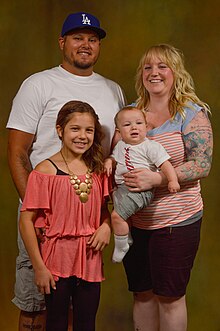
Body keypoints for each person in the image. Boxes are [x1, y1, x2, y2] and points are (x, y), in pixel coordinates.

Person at [6, 11, 125, 331]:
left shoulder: (113, 90)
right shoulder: (38, 84)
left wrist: (104, 218)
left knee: (77, 305)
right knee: (36, 302)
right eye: (77, 37)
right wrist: (39, 212)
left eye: (92, 39)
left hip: (86, 217)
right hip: (44, 211)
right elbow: (17, 153)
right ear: (62, 43)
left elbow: (112, 158)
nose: (86, 44)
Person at [122, 44, 213, 331]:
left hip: (176, 221)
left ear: (175, 72)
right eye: (148, 67)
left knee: (170, 298)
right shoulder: (132, 114)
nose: (154, 72)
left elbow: (202, 164)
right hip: (137, 223)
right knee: (142, 294)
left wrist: (159, 178)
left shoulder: (191, 114)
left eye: (162, 66)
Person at [19, 100, 110, 331]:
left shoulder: (98, 170)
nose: (82, 136)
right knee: (56, 322)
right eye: (75, 129)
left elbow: (103, 211)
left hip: (89, 259)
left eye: (89, 130)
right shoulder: (44, 171)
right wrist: (39, 267)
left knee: (86, 323)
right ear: (60, 130)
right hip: (55, 261)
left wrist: (106, 227)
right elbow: (27, 221)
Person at [104, 106, 180, 263]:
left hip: (139, 191)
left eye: (139, 123)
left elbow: (166, 165)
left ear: (146, 127)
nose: (133, 127)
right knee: (123, 215)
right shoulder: (121, 145)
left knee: (117, 216)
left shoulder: (150, 146)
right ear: (118, 131)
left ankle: (121, 245)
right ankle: (127, 237)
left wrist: (172, 180)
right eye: (127, 125)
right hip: (122, 189)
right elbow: (114, 157)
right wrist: (109, 161)